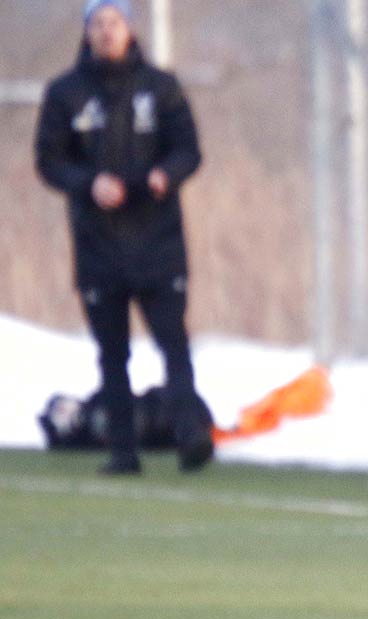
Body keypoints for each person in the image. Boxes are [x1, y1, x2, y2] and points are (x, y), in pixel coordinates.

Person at [34, 0, 211, 475]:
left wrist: (164, 176)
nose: (107, 32)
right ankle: (122, 451)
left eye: (115, 22)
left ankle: (191, 434)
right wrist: (87, 184)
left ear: (130, 28)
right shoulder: (65, 93)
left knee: (173, 343)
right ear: (87, 31)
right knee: (112, 353)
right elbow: (49, 161)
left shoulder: (161, 87)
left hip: (158, 241)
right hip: (99, 244)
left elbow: (189, 150)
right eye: (98, 23)